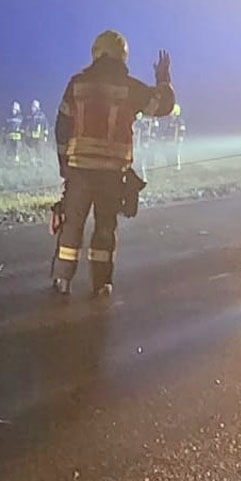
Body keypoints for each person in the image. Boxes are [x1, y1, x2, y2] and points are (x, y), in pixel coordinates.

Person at [52, 30, 175, 296]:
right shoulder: (129, 87)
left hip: (80, 171)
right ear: (122, 55)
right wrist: (163, 78)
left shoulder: (77, 83)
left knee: (72, 226)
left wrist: (65, 166)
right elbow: (162, 107)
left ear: (96, 52)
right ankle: (102, 284)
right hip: (111, 173)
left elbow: (62, 127)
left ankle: (63, 281)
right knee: (106, 227)